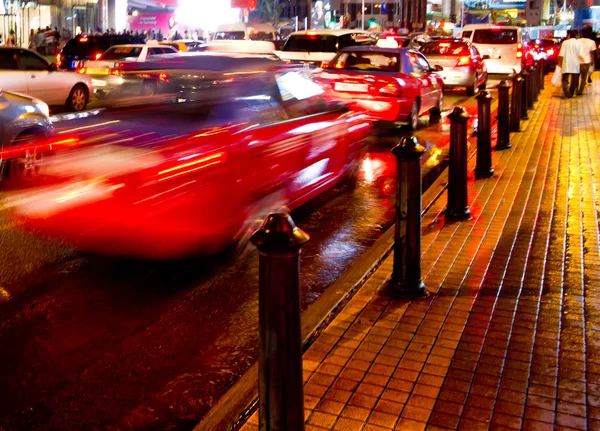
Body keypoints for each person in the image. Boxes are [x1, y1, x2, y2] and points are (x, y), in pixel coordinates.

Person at [558, 30, 584, 98]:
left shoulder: (565, 43)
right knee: (574, 80)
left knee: (564, 79)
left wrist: (559, 62)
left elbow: (561, 54)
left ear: (569, 35)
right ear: (576, 35)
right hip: (575, 64)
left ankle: (567, 92)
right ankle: (571, 94)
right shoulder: (579, 43)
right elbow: (581, 55)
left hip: (566, 63)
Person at [578, 27, 597, 93]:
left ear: (582, 33)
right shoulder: (592, 42)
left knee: (576, 76)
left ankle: (575, 89)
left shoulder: (578, 41)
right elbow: (592, 53)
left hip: (577, 61)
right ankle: (580, 91)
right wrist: (593, 61)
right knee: (584, 77)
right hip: (587, 61)